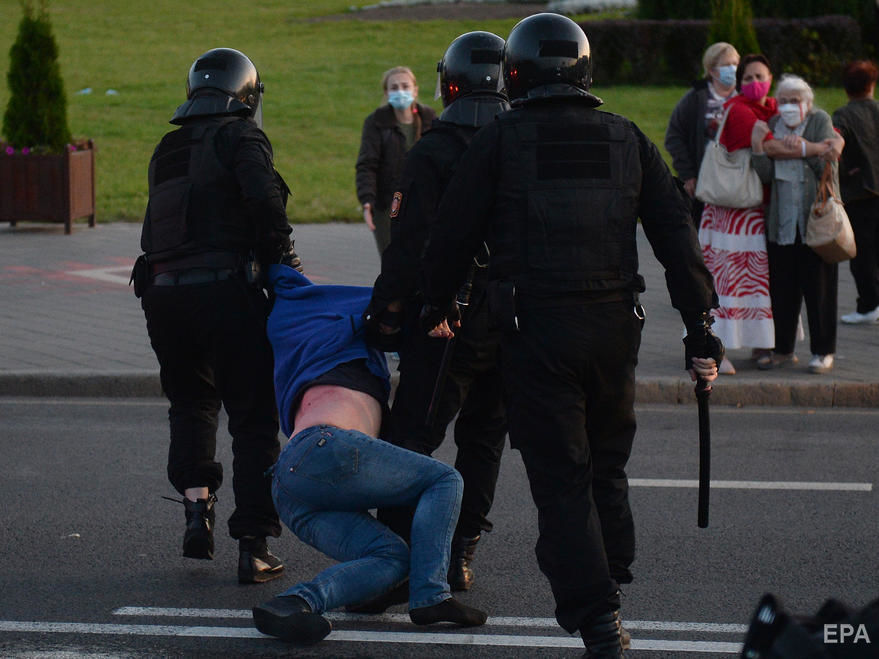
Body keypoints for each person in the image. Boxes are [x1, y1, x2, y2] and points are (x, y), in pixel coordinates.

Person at [419, 14, 722, 658]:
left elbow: (452, 234)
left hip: (536, 330)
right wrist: (700, 329)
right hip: (615, 328)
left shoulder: (501, 139)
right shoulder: (626, 137)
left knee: (562, 476)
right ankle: (610, 575)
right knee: (606, 463)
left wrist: (435, 304)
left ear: (516, 72)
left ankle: (598, 616)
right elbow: (677, 237)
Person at [250, 263, 487, 645]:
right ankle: (431, 595)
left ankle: (293, 604)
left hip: (290, 486)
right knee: (445, 480)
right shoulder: (346, 327)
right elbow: (393, 300)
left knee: (391, 557)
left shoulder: (295, 334)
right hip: (326, 447)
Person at [135, 47, 299, 584]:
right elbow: (266, 204)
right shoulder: (242, 136)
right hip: (227, 291)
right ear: (246, 94)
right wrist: (284, 261)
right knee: (252, 417)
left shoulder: (167, 146)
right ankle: (254, 545)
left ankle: (196, 511)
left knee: (191, 403)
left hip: (163, 295)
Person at [364, 31, 510, 597]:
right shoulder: (522, 143)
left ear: (450, 85)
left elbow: (408, 247)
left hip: (445, 318)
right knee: (484, 439)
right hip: (511, 318)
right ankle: (460, 552)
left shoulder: (434, 150)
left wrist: (384, 310)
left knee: (412, 438)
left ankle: (395, 558)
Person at [751, 74, 843, 374]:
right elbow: (765, 174)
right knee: (782, 291)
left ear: (807, 103)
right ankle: (783, 349)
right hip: (782, 225)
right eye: (784, 101)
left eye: (796, 101)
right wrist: (759, 148)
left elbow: (828, 167)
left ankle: (823, 351)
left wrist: (804, 149)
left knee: (820, 292)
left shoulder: (819, 121)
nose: (789, 106)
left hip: (815, 224)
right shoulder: (773, 124)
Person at [697, 54, 778, 375]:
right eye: (748, 78)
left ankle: (761, 343)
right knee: (727, 283)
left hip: (751, 213)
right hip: (729, 215)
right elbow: (773, 146)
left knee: (755, 283)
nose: (754, 82)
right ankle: (715, 347)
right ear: (740, 85)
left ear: (771, 78)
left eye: (760, 76)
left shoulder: (771, 109)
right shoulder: (740, 110)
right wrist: (811, 147)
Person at [355, 66, 437, 256]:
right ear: (386, 93)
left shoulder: (429, 119)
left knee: (423, 258)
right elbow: (367, 165)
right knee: (392, 257)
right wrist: (367, 200)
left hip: (423, 202)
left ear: (415, 90)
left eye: (405, 86)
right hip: (387, 205)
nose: (400, 91)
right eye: (394, 87)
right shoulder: (376, 122)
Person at [665, 42, 740, 228]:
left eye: (735, 64)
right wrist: (687, 174)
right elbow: (674, 136)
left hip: (738, 177)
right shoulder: (696, 97)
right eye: (726, 65)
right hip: (704, 179)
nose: (732, 69)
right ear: (712, 70)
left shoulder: (744, 95)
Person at [832, 60, 879, 325]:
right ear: (871, 85)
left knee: (862, 254)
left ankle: (868, 305)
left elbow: (835, 145)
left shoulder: (843, 115)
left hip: (859, 192)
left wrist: (844, 173)